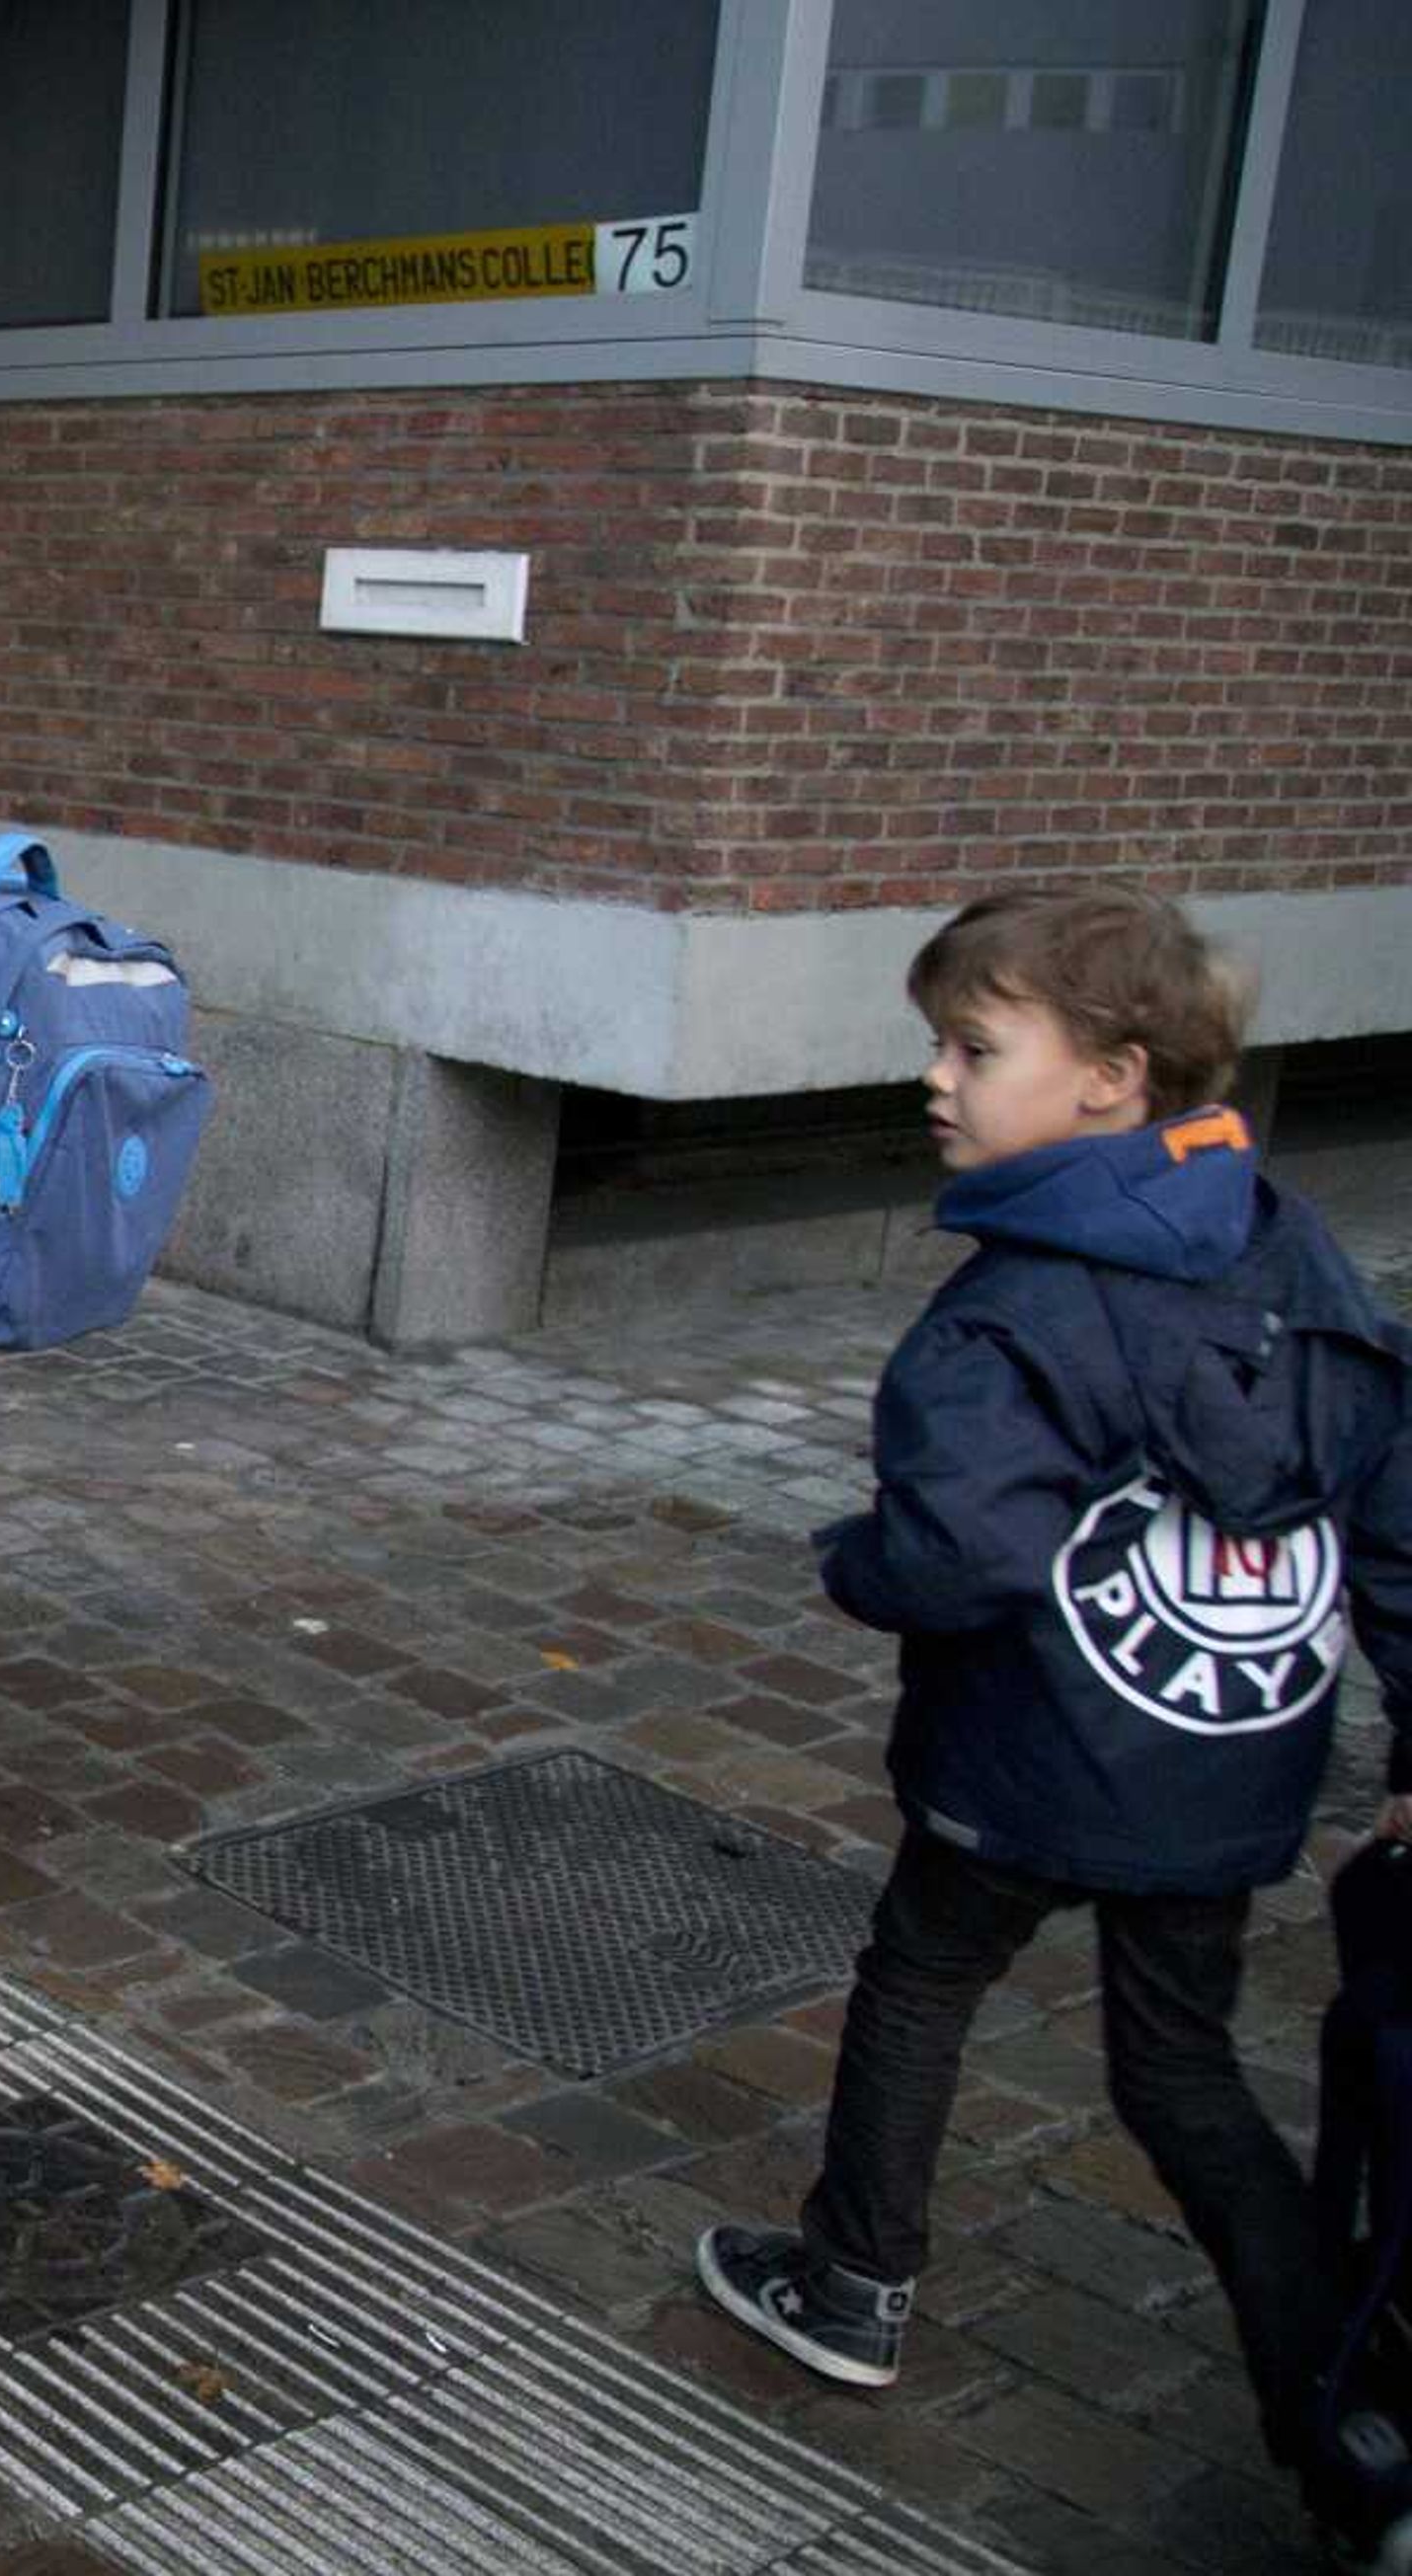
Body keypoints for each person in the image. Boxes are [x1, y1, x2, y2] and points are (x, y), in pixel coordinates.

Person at [689, 889, 1412, 2562]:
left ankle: (853, 2278)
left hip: (1025, 1757)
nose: (933, 1080)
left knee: (925, 1974)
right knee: (1182, 2069)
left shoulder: (1005, 1309)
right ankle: (1350, 2431)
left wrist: (854, 1558)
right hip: (1226, 1761)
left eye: (974, 1046)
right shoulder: (1292, 1243)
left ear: (1112, 1077)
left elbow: (959, 1552)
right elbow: (1389, 1491)